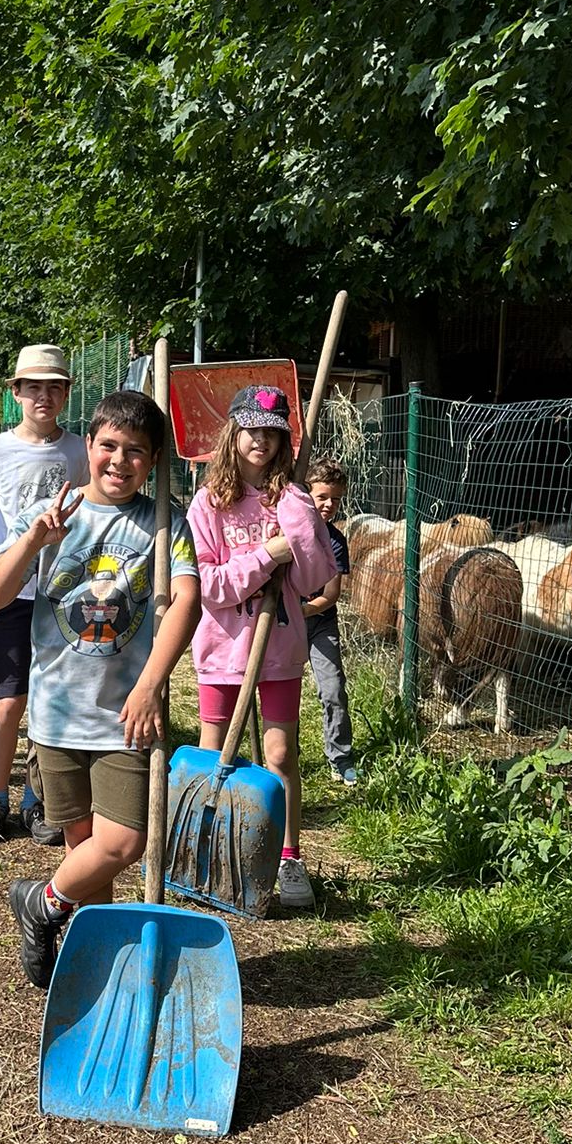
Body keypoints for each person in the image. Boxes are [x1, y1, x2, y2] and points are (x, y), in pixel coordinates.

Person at [0, 388, 200, 986]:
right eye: (109, 446)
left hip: (125, 713)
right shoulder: (56, 512)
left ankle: (41, 902)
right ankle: (97, 961)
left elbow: (187, 602)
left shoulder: (164, 522)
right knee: (84, 847)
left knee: (124, 841)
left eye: (136, 451)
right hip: (57, 711)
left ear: (153, 461)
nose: (120, 461)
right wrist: (32, 541)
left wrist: (151, 684)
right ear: (89, 446)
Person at [188, 386, 336, 911]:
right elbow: (211, 587)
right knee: (213, 753)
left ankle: (287, 856)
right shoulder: (208, 503)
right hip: (222, 648)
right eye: (252, 430)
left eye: (272, 432)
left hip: (279, 646)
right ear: (234, 433)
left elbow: (314, 580)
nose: (262, 441)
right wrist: (268, 553)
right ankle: (205, 848)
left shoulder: (290, 500)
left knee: (280, 754)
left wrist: (300, 520)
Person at [0, 345, 89, 844]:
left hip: (63, 593)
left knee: (50, 698)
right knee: (10, 698)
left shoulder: (80, 450)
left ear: (66, 394)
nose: (44, 396)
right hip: (11, 589)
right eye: (33, 386)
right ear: (15, 393)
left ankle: (38, 799)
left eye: (54, 387)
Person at [303, 456, 358, 786]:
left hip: (320, 622)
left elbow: (330, 594)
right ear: (305, 493)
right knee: (281, 690)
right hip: (284, 624)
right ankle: (283, 753)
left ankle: (340, 756)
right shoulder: (287, 530)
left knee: (333, 689)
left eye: (335, 499)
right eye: (322, 496)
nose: (329, 504)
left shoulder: (335, 542)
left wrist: (302, 611)